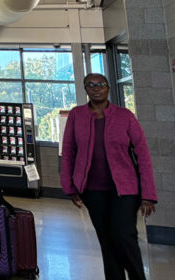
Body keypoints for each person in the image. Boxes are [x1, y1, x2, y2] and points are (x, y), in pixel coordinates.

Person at [61, 73, 157, 280]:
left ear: (108, 88)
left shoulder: (125, 116)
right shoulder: (76, 115)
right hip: (92, 190)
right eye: (91, 85)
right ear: (85, 89)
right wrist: (69, 187)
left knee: (124, 236)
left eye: (101, 84)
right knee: (106, 240)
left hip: (125, 189)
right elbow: (68, 152)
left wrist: (148, 194)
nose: (96, 88)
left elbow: (143, 155)